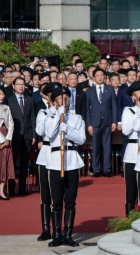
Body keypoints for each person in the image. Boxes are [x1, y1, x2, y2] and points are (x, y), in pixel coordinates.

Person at [45, 87, 85, 247]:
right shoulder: (49, 117)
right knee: (56, 201)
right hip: (55, 160)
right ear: (54, 102)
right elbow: (49, 134)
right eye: (61, 98)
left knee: (70, 201)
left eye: (67, 97)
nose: (65, 100)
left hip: (72, 160)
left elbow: (81, 139)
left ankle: (68, 234)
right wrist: (58, 117)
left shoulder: (77, 118)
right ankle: (56, 234)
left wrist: (67, 129)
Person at [34, 83, 60, 239]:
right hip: (46, 153)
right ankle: (46, 228)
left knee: (58, 194)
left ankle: (58, 229)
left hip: (60, 154)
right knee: (45, 194)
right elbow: (40, 131)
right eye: (50, 94)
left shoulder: (66, 113)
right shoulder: (43, 112)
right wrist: (51, 109)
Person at [84, 68, 118, 177]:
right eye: (97, 75)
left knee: (108, 147)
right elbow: (87, 110)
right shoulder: (89, 91)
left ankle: (107, 169)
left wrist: (114, 121)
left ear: (105, 77)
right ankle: (96, 169)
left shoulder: (110, 89)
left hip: (108, 121)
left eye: (101, 75)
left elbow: (114, 106)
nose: (100, 77)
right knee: (96, 147)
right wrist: (89, 124)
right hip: (95, 122)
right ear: (93, 78)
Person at [121, 81, 140, 216]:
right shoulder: (128, 110)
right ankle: (129, 217)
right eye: (139, 91)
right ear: (133, 96)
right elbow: (125, 130)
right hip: (132, 150)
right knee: (131, 188)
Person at [7, 76, 35, 195]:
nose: (21, 86)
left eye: (22, 84)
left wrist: (34, 135)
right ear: (13, 86)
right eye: (18, 84)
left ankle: (23, 187)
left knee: (25, 162)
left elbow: (32, 117)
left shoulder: (30, 100)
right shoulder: (9, 100)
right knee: (12, 162)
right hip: (14, 135)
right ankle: (12, 188)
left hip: (27, 135)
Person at [0, 90, 14, 201]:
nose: (1, 96)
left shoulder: (6, 107)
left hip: (6, 139)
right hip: (1, 139)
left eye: (2, 94)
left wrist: (7, 139)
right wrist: (2, 140)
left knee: (4, 165)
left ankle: (2, 190)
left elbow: (11, 123)